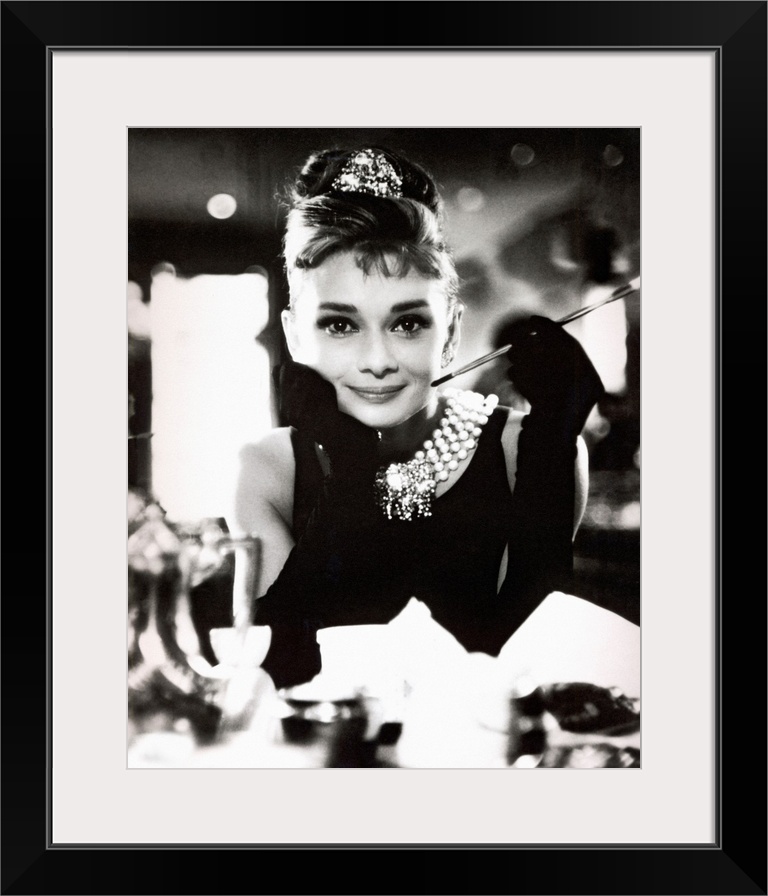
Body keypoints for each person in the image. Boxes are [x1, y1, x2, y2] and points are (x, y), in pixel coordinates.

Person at [234, 146, 604, 690]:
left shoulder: (527, 447)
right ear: (293, 335)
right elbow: (291, 665)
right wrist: (349, 470)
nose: (378, 360)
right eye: (340, 325)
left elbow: (533, 661)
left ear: (451, 334)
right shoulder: (267, 468)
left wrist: (551, 450)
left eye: (407, 324)